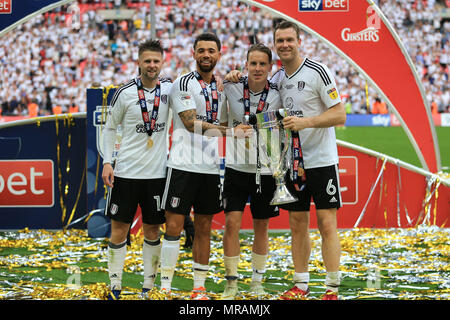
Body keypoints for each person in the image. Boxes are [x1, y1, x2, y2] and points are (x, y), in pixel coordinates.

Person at [159, 32, 251, 300]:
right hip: (183, 165)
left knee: (204, 228)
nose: (206, 55)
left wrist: (235, 78)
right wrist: (231, 132)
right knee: (174, 227)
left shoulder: (222, 87)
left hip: (210, 168)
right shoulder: (183, 83)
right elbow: (190, 124)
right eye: (202, 51)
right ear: (194, 53)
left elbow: (233, 111)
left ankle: (198, 289)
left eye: (211, 51)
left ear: (219, 55)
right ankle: (165, 286)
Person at [272, 20, 347, 300]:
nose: (285, 45)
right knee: (297, 224)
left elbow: (340, 114)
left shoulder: (318, 71)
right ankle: (301, 285)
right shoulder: (277, 79)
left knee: (327, 223)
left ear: (299, 40)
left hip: (322, 161)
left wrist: (307, 122)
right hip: (293, 164)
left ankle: (331, 288)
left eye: (289, 39)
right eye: (280, 41)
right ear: (275, 44)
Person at [101, 39, 172, 300]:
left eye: (156, 61)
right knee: (119, 229)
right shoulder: (125, 92)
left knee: (153, 230)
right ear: (139, 62)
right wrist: (108, 161)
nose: (152, 65)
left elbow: (194, 96)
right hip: (126, 174)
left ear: (162, 63)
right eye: (147, 61)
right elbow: (109, 128)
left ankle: (148, 287)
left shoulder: (170, 90)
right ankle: (115, 287)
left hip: (157, 175)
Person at [220, 43, 282, 300]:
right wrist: (226, 77)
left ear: (270, 67)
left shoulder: (279, 92)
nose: (257, 68)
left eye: (262, 64)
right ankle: (232, 282)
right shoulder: (231, 87)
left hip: (266, 170)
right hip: (235, 167)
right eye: (253, 63)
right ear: (245, 65)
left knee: (261, 226)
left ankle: (256, 281)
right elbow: (222, 123)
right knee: (231, 223)